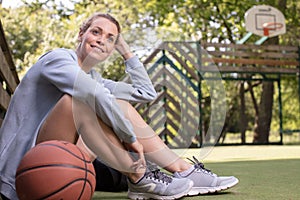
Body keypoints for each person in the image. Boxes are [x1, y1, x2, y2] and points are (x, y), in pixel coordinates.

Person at [0, 13, 238, 200]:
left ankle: (182, 169)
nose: (102, 40)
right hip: (23, 170)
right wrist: (128, 137)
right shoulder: (58, 59)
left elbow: (146, 93)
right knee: (82, 100)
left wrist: (125, 50)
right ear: (81, 34)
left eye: (110, 38)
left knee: (116, 102)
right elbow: (89, 94)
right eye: (96, 32)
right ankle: (139, 175)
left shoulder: (95, 78)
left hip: (60, 160)